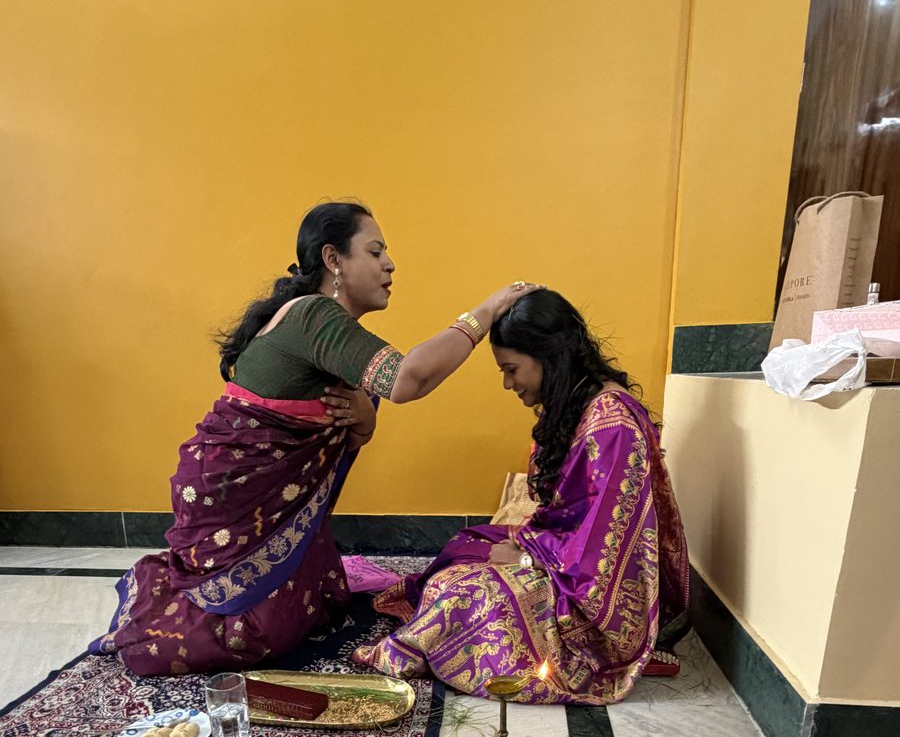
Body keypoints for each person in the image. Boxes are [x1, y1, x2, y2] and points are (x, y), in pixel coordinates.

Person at [91, 201, 537, 676]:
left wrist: (364, 414)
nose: (390, 264)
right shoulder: (312, 316)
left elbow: (351, 433)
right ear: (333, 260)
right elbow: (409, 379)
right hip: (230, 503)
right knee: (254, 635)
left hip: (259, 506)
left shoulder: (325, 328)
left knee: (322, 603)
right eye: (375, 251)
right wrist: (485, 312)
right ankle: (160, 609)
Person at [353, 289, 690, 705]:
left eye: (512, 369)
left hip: (597, 608)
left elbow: (608, 552)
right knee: (468, 544)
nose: (508, 383)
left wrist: (528, 557)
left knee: (463, 591)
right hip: (565, 560)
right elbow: (569, 517)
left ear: (548, 356)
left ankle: (427, 643)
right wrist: (526, 545)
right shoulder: (579, 404)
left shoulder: (612, 424)